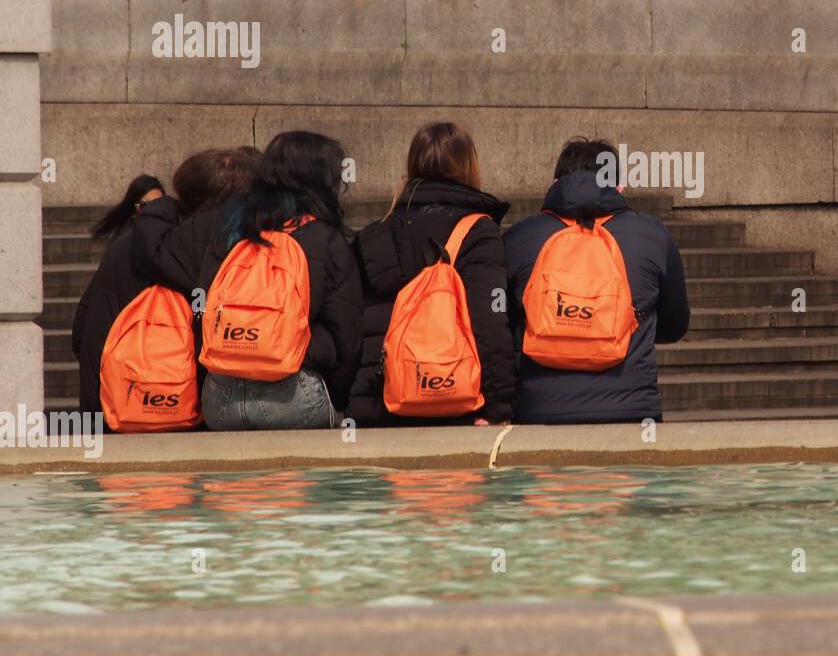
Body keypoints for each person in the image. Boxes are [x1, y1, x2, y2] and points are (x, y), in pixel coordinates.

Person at [134, 133, 362, 431]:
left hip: (221, 400)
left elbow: (203, 310)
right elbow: (348, 337)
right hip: (293, 397)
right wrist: (337, 397)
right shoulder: (327, 240)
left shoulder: (232, 229)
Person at [504, 137, 690, 425]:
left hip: (539, 414)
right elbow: (675, 324)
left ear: (554, 184)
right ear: (618, 187)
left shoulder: (519, 237)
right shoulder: (652, 235)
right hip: (630, 413)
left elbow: (502, 325)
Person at [349, 122, 514, 426]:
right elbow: (490, 319)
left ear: (412, 164)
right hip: (453, 401)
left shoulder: (376, 234)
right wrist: (498, 407)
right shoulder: (478, 231)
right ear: (469, 166)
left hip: (382, 404)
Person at [75, 152, 259, 417]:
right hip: (180, 412)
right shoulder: (224, 250)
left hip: (111, 406)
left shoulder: (126, 242)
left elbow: (81, 327)